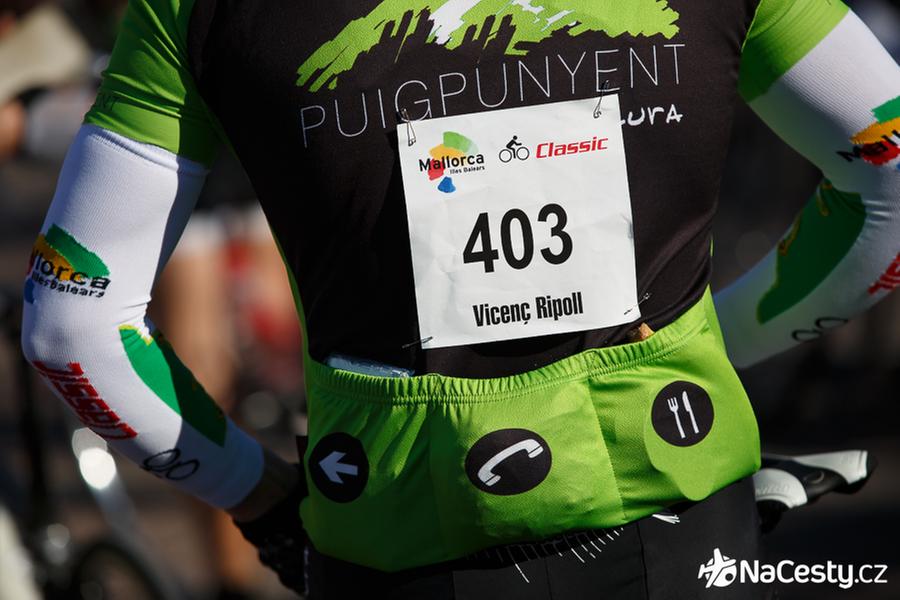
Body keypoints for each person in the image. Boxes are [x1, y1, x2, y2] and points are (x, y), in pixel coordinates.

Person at [20, 0, 900, 598]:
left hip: (392, 528)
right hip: (683, 492)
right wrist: (715, 345)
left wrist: (263, 499)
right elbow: (888, 177)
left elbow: (72, 322)